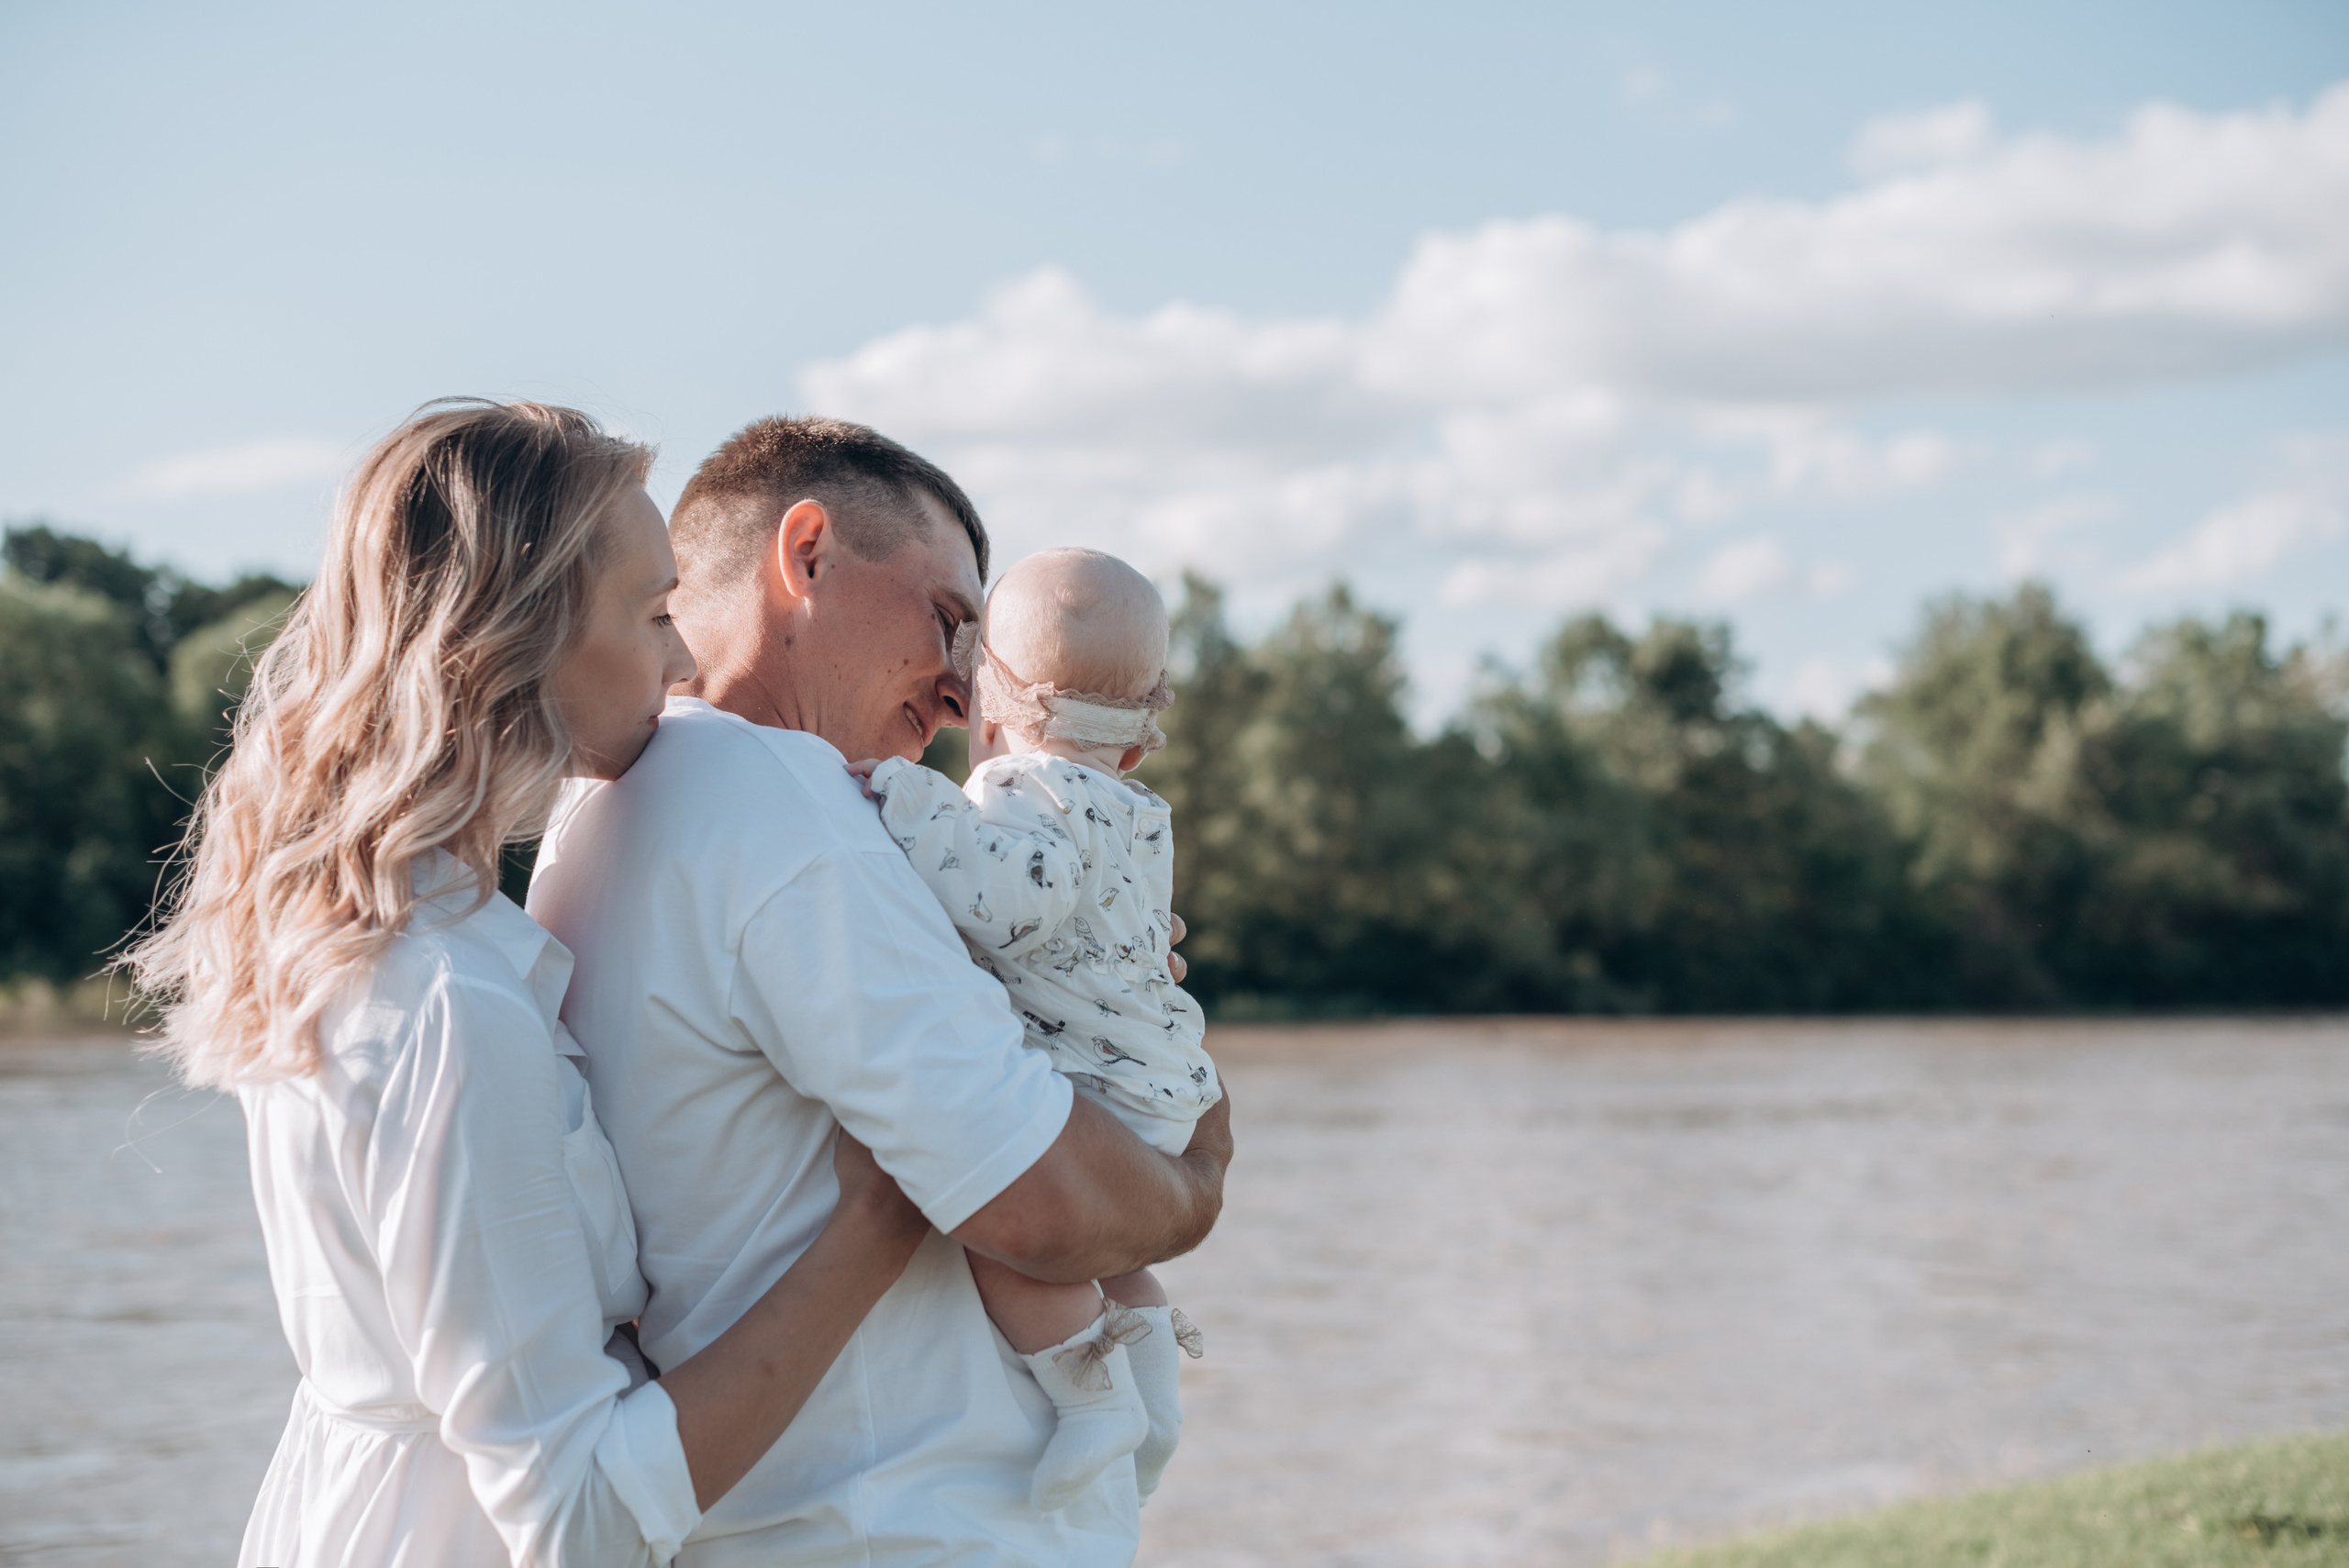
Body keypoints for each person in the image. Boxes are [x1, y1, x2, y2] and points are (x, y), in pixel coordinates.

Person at [123, 400, 933, 1568]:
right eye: (653, 613)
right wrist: (878, 1219)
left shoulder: (385, 938)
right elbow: (576, 1517)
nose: (688, 658)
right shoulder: (449, 1001)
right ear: (517, 634)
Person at [528, 415, 1233, 1567]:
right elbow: (1041, 1205)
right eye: (951, 621)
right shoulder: (787, 802)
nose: (965, 696)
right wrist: (1200, 1158)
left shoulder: (602, 814)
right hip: (910, 1529)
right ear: (804, 554)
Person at [850, 547, 1219, 1509]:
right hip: (1164, 1088)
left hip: (1094, 1095)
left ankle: (1087, 1394)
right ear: (1135, 742)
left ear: (992, 712)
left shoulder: (1018, 788)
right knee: (1120, 1256)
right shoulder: (1140, 811)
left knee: (1004, 1231)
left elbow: (1007, 904)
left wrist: (903, 792)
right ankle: (1152, 1393)